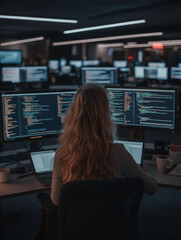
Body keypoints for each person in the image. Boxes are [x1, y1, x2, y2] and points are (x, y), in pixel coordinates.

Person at [51, 83, 156, 206]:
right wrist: (144, 174)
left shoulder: (62, 155)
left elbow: (56, 200)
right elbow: (151, 188)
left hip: (76, 224)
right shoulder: (118, 152)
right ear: (105, 116)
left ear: (74, 116)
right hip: (112, 223)